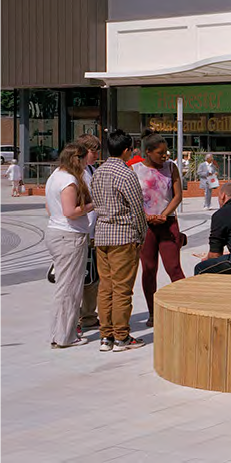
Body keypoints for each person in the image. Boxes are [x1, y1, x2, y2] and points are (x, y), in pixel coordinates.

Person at [90, 128, 148, 352]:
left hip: (102, 233)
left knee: (106, 288)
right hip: (123, 235)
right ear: (126, 150)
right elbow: (136, 207)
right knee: (123, 289)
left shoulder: (98, 172)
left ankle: (106, 336)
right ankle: (121, 336)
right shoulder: (126, 174)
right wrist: (141, 235)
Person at [44, 143, 94, 348]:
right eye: (84, 159)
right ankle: (65, 336)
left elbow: (50, 206)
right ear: (78, 159)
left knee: (65, 287)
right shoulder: (69, 180)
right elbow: (70, 211)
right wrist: (93, 204)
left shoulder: (55, 175)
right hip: (70, 236)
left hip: (57, 232)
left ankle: (60, 333)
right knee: (70, 289)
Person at [133, 134, 185, 326]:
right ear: (148, 152)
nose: (165, 156)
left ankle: (182, 307)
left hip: (167, 222)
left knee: (174, 267)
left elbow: (177, 195)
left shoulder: (171, 167)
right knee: (149, 269)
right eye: (160, 153)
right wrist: (145, 216)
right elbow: (132, 198)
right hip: (145, 225)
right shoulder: (135, 169)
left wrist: (164, 214)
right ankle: (153, 312)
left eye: (166, 152)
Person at [76, 133, 102, 332]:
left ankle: (89, 315)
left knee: (93, 277)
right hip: (79, 231)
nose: (96, 155)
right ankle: (75, 317)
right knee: (77, 277)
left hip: (94, 232)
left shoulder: (93, 169)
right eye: (94, 151)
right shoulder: (74, 174)